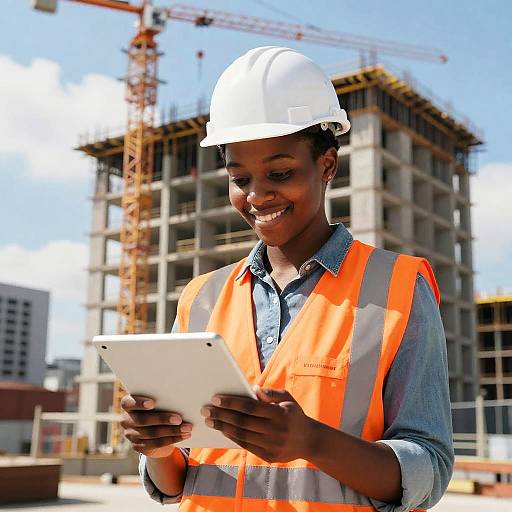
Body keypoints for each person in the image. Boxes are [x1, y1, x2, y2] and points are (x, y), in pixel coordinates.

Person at [120, 46, 454, 511]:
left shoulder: (396, 287)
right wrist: (157, 448)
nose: (257, 195)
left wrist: (313, 442)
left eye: (280, 172)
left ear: (327, 165)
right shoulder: (201, 298)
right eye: (240, 178)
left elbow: (429, 469)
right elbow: (176, 480)